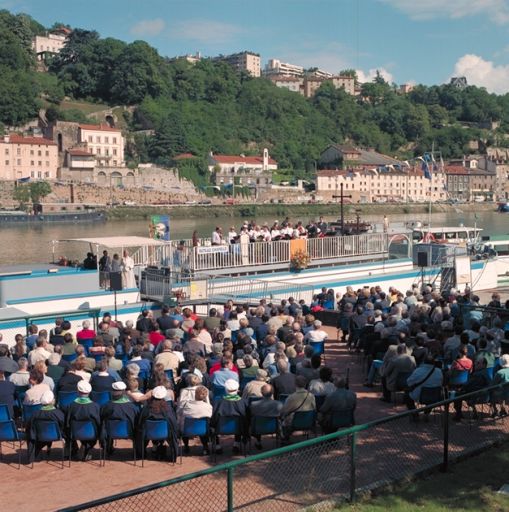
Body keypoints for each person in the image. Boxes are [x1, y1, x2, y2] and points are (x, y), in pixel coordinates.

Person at [136, 385, 178, 461]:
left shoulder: (146, 409)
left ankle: (141, 453)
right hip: (165, 434)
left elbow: (140, 424)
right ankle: (172, 454)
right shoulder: (168, 409)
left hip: (148, 434)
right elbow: (174, 424)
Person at [100, 381, 139, 455]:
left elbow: (101, 420)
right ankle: (138, 452)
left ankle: (107, 448)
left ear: (112, 392)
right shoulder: (132, 407)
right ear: (124, 392)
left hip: (110, 433)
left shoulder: (105, 406)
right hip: (129, 433)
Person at [66, 380, 101, 461]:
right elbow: (98, 422)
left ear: (78, 391)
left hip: (75, 433)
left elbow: (67, 423)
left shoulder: (71, 406)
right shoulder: (95, 406)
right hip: (92, 434)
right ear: (89, 392)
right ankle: (88, 446)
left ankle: (81, 446)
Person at [211, 379, 248, 454]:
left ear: (225, 389)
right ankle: (236, 444)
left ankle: (217, 446)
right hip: (239, 428)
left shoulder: (218, 402)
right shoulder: (243, 402)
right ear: (237, 390)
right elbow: (246, 417)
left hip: (220, 429)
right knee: (241, 420)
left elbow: (214, 417)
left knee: (211, 425)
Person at [26, 390, 65, 461]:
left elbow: (29, 427)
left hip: (40, 437)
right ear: (52, 401)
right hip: (56, 436)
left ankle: (32, 454)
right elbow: (64, 424)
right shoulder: (58, 413)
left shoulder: (35, 414)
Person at [178, 385, 213, 455]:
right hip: (203, 431)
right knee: (205, 424)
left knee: (182, 424)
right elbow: (210, 416)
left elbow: (180, 413)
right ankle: (205, 447)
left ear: (195, 394)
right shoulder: (208, 407)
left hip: (187, 430)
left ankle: (186, 446)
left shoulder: (186, 405)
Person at [280, 376, 316, 440]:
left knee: (283, 421)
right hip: (308, 421)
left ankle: (285, 437)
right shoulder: (311, 396)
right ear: (305, 384)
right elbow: (314, 408)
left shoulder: (291, 397)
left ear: (295, 384)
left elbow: (284, 411)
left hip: (294, 422)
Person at [250, 383, 283, 450]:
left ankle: (258, 442)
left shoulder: (253, 405)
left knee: (255, 421)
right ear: (272, 393)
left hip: (257, 429)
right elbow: (282, 415)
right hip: (274, 428)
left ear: (261, 392)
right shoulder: (278, 404)